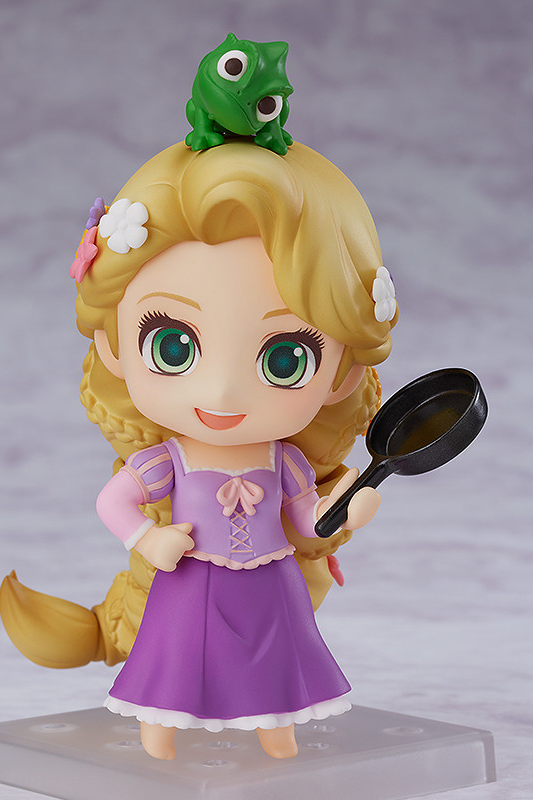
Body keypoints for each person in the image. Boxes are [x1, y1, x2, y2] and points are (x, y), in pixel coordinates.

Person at [67, 139, 397, 759]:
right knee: (176, 658)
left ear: (342, 372)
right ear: (114, 344)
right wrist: (148, 540)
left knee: (277, 659)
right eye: (173, 346)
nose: (220, 391)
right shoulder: (169, 461)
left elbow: (306, 519)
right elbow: (113, 503)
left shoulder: (283, 461)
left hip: (270, 580)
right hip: (191, 579)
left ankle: (277, 730)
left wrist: (347, 508)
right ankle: (159, 731)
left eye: (285, 358)